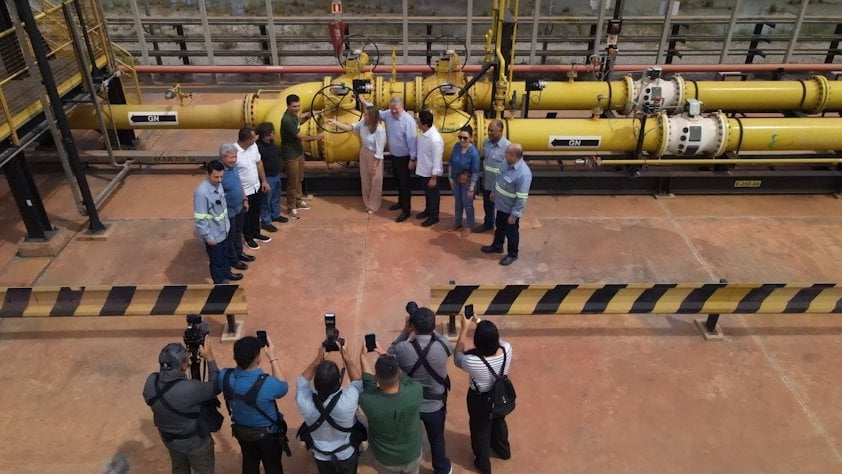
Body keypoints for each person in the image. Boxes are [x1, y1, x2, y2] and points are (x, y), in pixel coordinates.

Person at [389, 306, 453, 474]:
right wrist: (431, 330)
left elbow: (390, 352)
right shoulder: (444, 346)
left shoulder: (402, 349)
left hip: (411, 404)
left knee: (409, 436)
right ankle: (441, 469)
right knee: (437, 439)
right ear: (433, 327)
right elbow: (443, 341)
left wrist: (405, 331)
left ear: (413, 326)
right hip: (435, 406)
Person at [142, 340, 219, 474]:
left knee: (179, 469)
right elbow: (216, 386)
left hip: (170, 440)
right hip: (194, 442)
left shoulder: (151, 381)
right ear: (183, 365)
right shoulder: (190, 389)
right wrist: (210, 357)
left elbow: (149, 401)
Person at [219, 336, 289, 474]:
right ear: (258, 358)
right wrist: (273, 358)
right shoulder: (268, 383)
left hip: (242, 433)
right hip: (268, 436)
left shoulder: (224, 377)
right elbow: (283, 387)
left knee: (249, 463)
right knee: (273, 467)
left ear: (235, 357)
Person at [454, 318, 513, 474]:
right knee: (499, 422)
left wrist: (464, 329)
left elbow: (457, 357)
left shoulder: (472, 361)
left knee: (480, 430)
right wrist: (479, 321)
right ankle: (503, 451)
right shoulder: (507, 349)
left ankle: (483, 464)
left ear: (477, 342)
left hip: (480, 399)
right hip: (501, 395)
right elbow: (496, 340)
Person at [296, 341, 364, 474]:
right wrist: (346, 357)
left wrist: (318, 360)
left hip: (320, 453)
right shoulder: (349, 400)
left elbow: (301, 381)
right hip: (346, 452)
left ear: (315, 383)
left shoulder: (303, 400)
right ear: (339, 381)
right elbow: (357, 382)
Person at [359, 344, 423, 473]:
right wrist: (387, 356)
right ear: (398, 372)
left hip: (385, 459)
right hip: (412, 454)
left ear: (376, 377)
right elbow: (405, 378)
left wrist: (363, 358)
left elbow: (368, 383)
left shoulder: (367, 401)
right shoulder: (416, 389)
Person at [327, 106, 386, 214]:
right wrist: (335, 122)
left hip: (374, 156)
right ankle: (367, 202)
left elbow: (379, 150)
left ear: (372, 116)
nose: (364, 116)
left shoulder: (379, 130)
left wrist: (374, 164)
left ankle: (374, 205)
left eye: (367, 115)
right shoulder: (363, 123)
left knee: (375, 181)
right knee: (366, 179)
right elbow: (351, 128)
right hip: (364, 153)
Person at [481, 143, 532, 266]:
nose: (504, 155)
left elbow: (521, 198)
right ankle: (497, 246)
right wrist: (494, 192)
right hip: (501, 206)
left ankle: (512, 254)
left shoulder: (523, 174)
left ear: (513, 155)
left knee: (512, 233)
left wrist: (514, 216)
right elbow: (498, 178)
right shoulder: (506, 163)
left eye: (507, 153)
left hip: (510, 210)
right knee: (499, 227)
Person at [193, 159, 238, 284]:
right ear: (208, 174)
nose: (219, 180)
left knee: (225, 256)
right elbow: (200, 218)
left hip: (223, 231)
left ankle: (226, 274)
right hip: (213, 235)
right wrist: (208, 237)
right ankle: (219, 283)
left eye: (221, 177)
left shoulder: (218, 185)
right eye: (216, 177)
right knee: (216, 261)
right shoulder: (202, 193)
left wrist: (227, 227)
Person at [280, 94, 324, 219]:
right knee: (293, 182)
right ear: (288, 106)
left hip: (298, 152)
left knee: (299, 178)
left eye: (298, 106)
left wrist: (309, 115)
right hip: (291, 155)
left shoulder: (293, 116)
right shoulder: (287, 120)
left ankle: (298, 201)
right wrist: (318, 137)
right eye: (294, 106)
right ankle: (291, 208)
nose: (297, 108)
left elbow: (298, 122)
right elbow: (302, 137)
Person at [379, 96, 418, 222]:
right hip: (394, 156)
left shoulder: (408, 121)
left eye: (396, 109)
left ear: (401, 107)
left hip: (404, 158)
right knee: (398, 181)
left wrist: (413, 159)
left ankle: (406, 211)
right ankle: (400, 202)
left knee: (405, 184)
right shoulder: (388, 114)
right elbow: (377, 113)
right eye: (391, 109)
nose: (393, 111)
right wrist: (365, 103)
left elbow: (412, 141)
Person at [219, 143, 255, 273]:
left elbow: (239, 183)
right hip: (228, 211)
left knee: (238, 232)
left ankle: (239, 253)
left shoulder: (233, 168)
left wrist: (244, 199)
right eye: (231, 158)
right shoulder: (219, 172)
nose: (234, 160)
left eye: (235, 157)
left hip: (239, 206)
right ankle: (233, 259)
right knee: (231, 235)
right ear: (222, 157)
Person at [234, 127, 272, 251]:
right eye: (253, 138)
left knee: (256, 212)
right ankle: (248, 238)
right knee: (247, 216)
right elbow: (234, 175)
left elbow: (259, 163)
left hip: (256, 187)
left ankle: (256, 233)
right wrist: (243, 195)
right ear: (247, 140)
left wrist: (264, 181)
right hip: (245, 191)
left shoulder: (253, 147)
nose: (256, 139)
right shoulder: (234, 152)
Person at [475, 119, 510, 234]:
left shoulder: (507, 147)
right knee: (488, 205)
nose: (489, 133)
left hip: (499, 186)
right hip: (487, 182)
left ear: (500, 131)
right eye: (488, 130)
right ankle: (489, 223)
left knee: (501, 209)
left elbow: (509, 170)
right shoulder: (486, 143)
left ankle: (501, 230)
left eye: (492, 131)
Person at [255, 122, 289, 233]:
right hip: (267, 177)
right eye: (265, 136)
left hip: (276, 175)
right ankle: (266, 221)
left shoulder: (272, 143)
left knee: (275, 196)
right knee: (266, 200)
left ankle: (275, 215)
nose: (267, 138)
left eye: (268, 135)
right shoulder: (258, 147)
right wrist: (263, 180)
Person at [449, 125, 481, 238]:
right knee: (458, 202)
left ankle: (469, 225)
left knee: (468, 204)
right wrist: (450, 177)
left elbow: (475, 173)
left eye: (465, 138)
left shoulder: (474, 153)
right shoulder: (456, 146)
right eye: (460, 137)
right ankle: (457, 222)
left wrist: (471, 189)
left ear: (470, 138)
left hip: (467, 182)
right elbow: (451, 162)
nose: (462, 140)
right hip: (456, 180)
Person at [414, 110, 444, 227]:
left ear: (425, 124)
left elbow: (437, 160)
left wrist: (434, 178)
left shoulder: (435, 139)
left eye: (419, 121)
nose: (417, 122)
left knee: (433, 196)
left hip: (430, 174)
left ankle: (434, 216)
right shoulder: (424, 132)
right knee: (427, 194)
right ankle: (428, 211)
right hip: (423, 170)